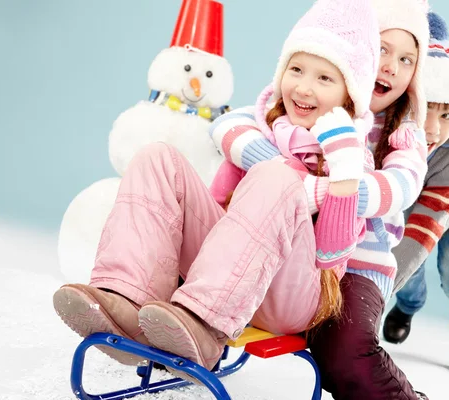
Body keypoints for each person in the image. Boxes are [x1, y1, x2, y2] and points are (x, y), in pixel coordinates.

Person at [53, 0, 384, 378]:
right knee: (158, 158)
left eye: (325, 78)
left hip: (293, 296)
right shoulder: (259, 133)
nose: (304, 87)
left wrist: (342, 172)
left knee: (278, 176)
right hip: (234, 276)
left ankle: (204, 325)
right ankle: (126, 298)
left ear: (349, 93)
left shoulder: (352, 157)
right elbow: (216, 210)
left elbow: (331, 255)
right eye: (296, 69)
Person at [209, 0, 431, 397]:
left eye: (407, 60)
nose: (391, 67)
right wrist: (281, 168)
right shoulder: (310, 97)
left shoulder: (402, 133)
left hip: (357, 266)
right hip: (289, 247)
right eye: (381, 49)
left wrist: (316, 186)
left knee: (343, 352)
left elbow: (398, 189)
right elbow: (230, 124)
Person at [383, 12, 449, 379]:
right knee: (401, 262)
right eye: (426, 109)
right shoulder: (384, 135)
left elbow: (421, 235)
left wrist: (374, 298)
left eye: (447, 115)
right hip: (409, 206)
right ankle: (408, 305)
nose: (433, 129)